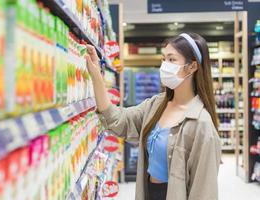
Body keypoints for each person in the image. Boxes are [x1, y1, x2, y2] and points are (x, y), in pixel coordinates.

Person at [85, 32, 221, 200]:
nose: (164, 65)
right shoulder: (156, 105)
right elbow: (118, 120)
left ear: (192, 66)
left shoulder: (202, 125)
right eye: (163, 59)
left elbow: (204, 193)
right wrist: (96, 75)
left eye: (172, 60)